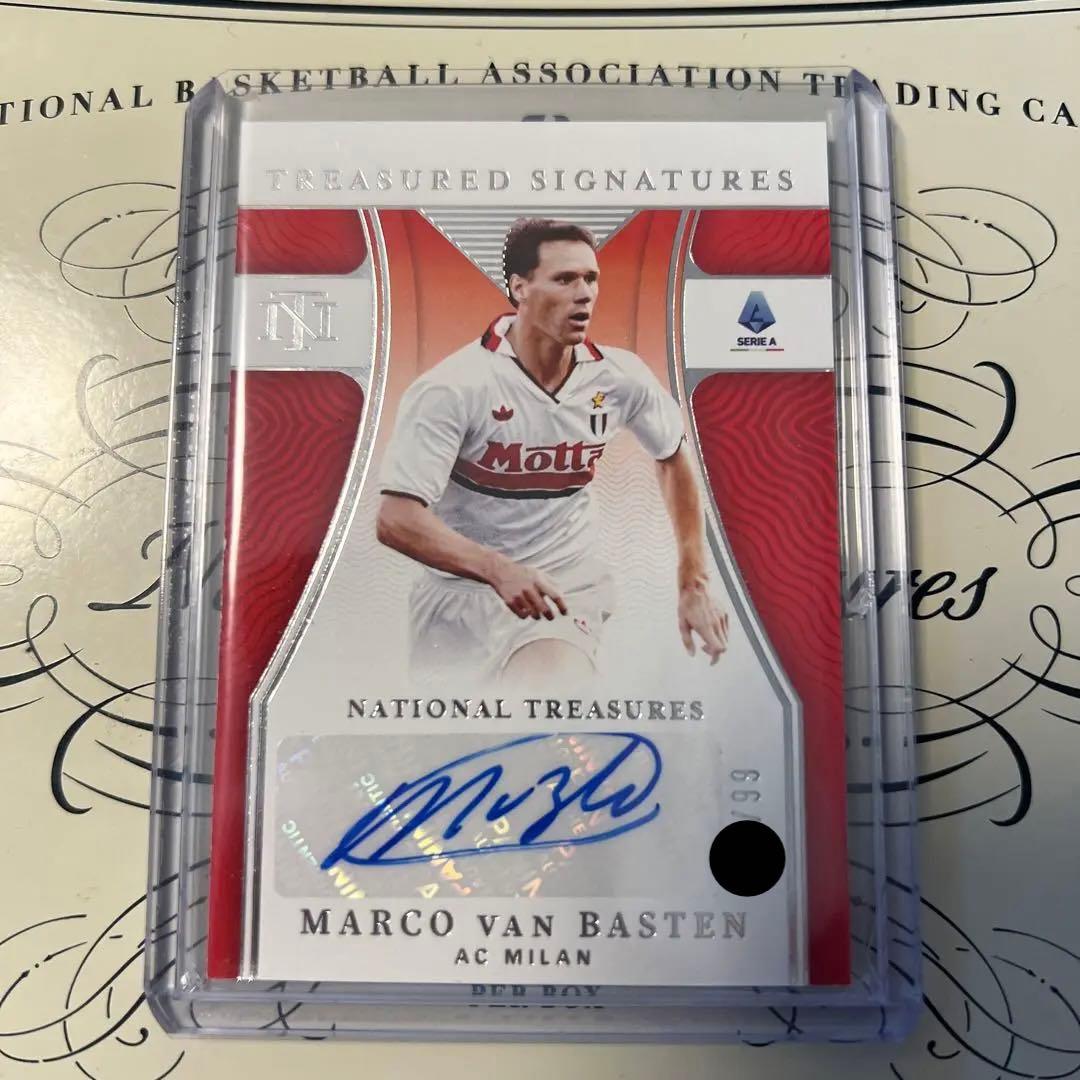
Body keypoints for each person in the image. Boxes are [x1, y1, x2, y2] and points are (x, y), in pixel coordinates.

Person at [376, 217, 728, 685]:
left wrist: (693, 582)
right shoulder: (453, 387)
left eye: (591, 279)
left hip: (565, 588)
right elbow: (396, 519)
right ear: (519, 287)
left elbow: (672, 456)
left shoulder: (619, 378)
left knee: (548, 695)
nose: (584, 294)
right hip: (455, 600)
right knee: (462, 728)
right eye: (565, 279)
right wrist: (497, 569)